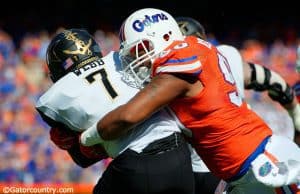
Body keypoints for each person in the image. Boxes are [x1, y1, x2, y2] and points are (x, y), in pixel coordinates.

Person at [81, 8, 300, 193]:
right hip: (243, 171)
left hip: (262, 168)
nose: (138, 61)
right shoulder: (195, 49)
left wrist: (86, 138)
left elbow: (129, 115)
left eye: (142, 49)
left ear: (164, 36)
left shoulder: (178, 62)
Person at [35, 28, 195, 194]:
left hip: (136, 165)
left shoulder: (55, 96)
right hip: (180, 154)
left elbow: (85, 159)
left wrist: (75, 142)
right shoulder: (120, 59)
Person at [176, 16, 300, 142]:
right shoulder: (226, 53)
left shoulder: (171, 77)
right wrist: (295, 111)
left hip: (211, 153)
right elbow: (270, 79)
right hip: (253, 141)